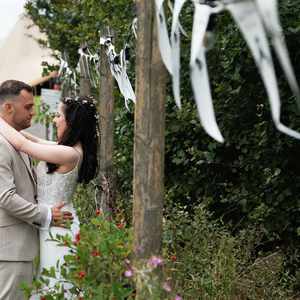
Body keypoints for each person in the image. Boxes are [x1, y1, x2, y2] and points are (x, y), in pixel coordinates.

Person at [0, 81, 99, 298]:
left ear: (70, 122)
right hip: (48, 224)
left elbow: (24, 145)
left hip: (57, 225)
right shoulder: (64, 149)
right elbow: (31, 139)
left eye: (58, 116)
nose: (54, 119)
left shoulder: (70, 154)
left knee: (56, 284)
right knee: (48, 283)